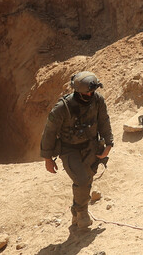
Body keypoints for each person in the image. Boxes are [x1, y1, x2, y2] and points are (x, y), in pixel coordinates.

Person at [40, 72, 114, 231]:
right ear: (78, 91)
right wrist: (48, 158)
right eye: (87, 92)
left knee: (87, 180)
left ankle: (76, 209)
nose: (90, 94)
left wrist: (109, 143)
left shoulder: (98, 100)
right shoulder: (62, 108)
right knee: (81, 180)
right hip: (69, 150)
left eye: (92, 91)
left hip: (91, 147)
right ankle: (82, 213)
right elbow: (49, 132)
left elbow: (104, 121)